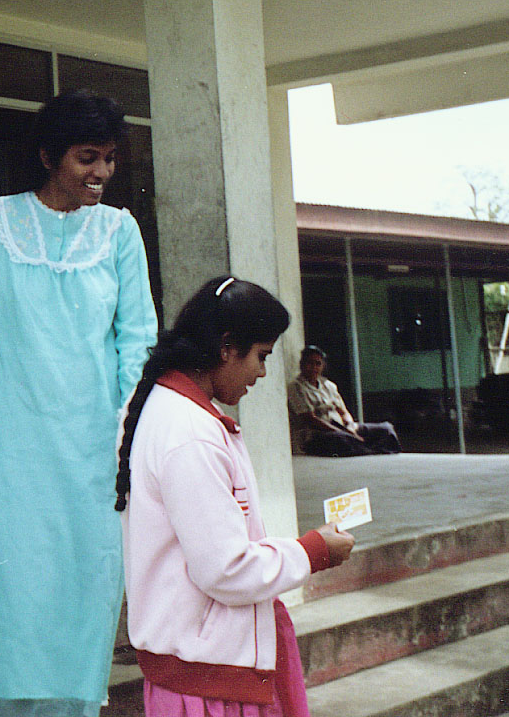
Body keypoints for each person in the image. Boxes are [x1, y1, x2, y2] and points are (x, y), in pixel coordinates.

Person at [0, 89, 159, 717]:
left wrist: (130, 432)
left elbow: (137, 338)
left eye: (110, 160)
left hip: (94, 443)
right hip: (11, 441)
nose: (101, 173)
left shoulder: (120, 231)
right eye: (88, 157)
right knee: (13, 581)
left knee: (87, 578)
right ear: (47, 155)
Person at [116, 278, 356, 717]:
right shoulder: (190, 434)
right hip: (208, 680)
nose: (263, 373)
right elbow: (224, 570)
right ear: (227, 346)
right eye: (261, 356)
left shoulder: (170, 409)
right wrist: (313, 551)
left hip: (199, 661)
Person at [287, 345, 400, 456]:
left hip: (343, 428)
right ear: (302, 365)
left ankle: (366, 447)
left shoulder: (329, 386)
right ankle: (370, 448)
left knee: (386, 428)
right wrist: (341, 431)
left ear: (323, 366)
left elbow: (343, 411)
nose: (314, 367)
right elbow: (310, 419)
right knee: (341, 440)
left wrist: (350, 426)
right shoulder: (296, 387)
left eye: (318, 364)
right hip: (319, 434)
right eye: (310, 363)